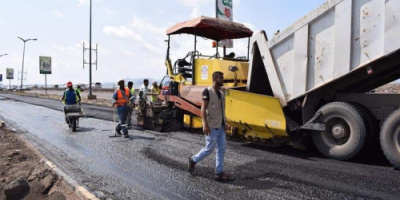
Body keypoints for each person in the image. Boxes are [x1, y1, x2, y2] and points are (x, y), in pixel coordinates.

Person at [188, 71, 234, 181]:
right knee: (209, 148)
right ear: (215, 78)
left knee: (221, 149)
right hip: (211, 126)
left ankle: (218, 173)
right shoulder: (207, 91)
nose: (223, 80)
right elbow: (203, 109)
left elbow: (222, 110)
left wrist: (225, 122)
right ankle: (193, 160)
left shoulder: (222, 94)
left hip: (221, 126)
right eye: (221, 78)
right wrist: (205, 125)